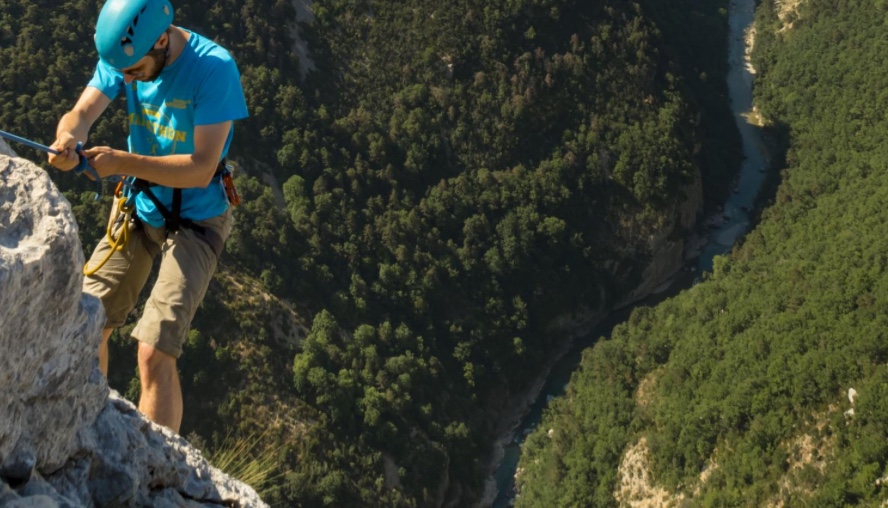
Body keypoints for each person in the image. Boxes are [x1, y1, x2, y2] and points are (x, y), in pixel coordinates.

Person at [47, 0, 248, 433]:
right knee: (87, 318)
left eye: (134, 71)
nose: (126, 79)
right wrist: (67, 139)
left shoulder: (213, 68)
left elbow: (201, 168)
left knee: (154, 351)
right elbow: (81, 114)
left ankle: (155, 464)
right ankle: (87, 432)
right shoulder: (126, 56)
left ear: (160, 40)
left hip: (199, 218)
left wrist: (122, 162)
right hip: (142, 203)